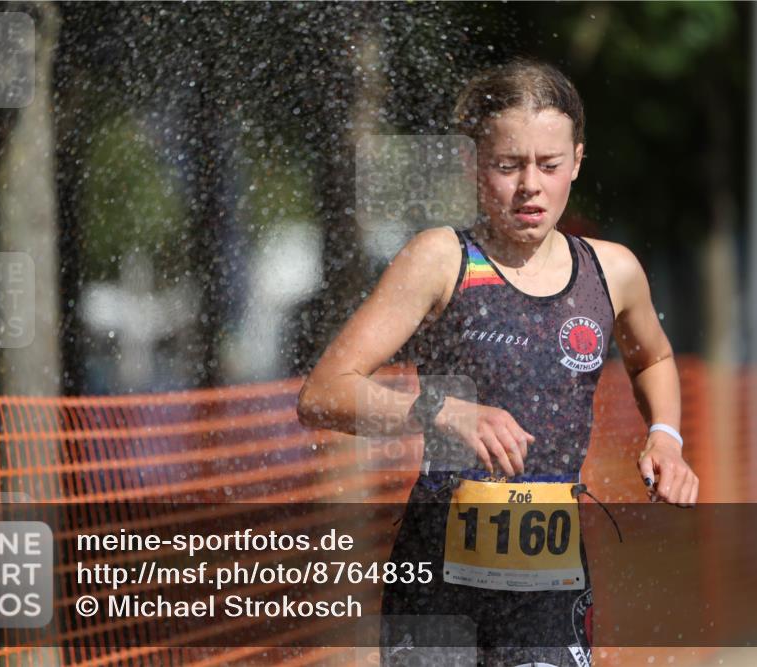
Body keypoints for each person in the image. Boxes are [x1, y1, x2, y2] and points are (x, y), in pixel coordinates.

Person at [297, 58, 699, 667]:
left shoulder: (611, 271)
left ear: (578, 162)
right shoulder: (440, 259)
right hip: (437, 580)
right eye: (507, 165)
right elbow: (324, 393)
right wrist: (441, 411)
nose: (529, 185)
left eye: (549, 165)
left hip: (549, 584)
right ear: (473, 166)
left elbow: (654, 358)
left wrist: (665, 438)